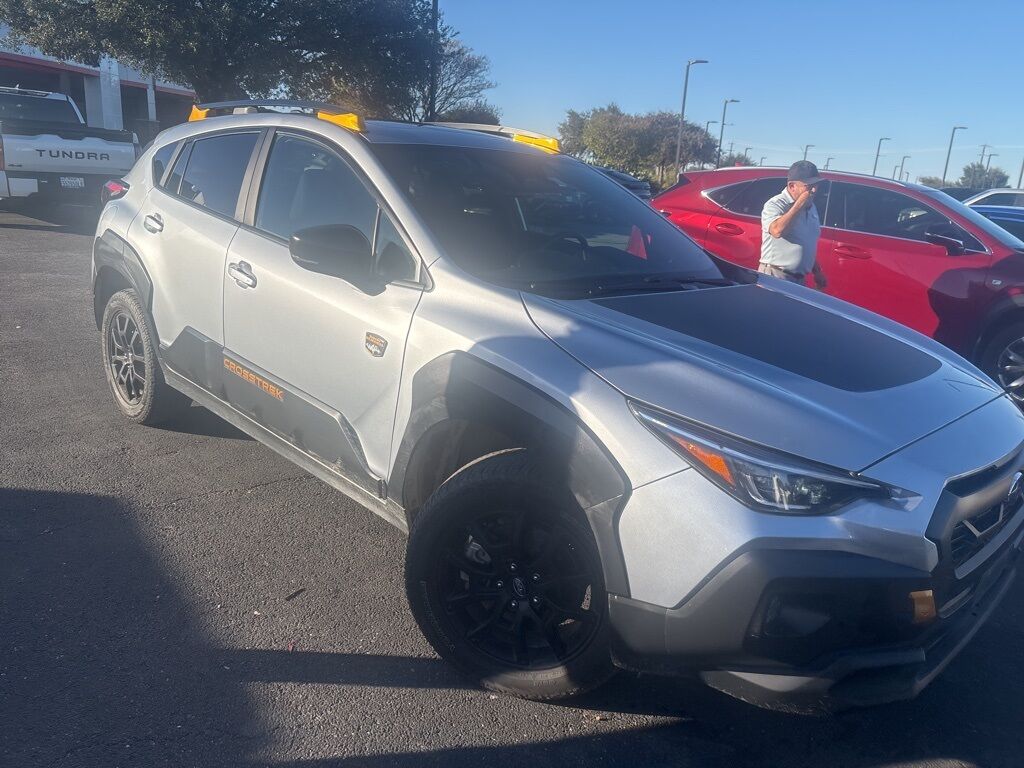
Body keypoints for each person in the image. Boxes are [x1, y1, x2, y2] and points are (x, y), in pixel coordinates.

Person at [759, 161, 827, 289]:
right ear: (792, 186)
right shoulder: (776, 204)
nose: (814, 190)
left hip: (799, 280)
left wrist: (817, 272)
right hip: (775, 275)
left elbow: (805, 243)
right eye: (809, 186)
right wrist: (799, 205)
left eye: (816, 185)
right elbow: (777, 230)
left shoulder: (811, 207)